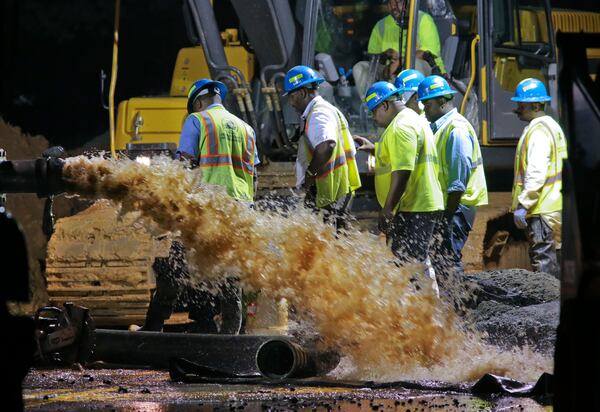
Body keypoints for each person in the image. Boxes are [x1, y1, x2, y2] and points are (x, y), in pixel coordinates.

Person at [139, 78, 258, 334]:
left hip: (206, 208)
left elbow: (184, 165)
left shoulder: (197, 120)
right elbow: (253, 174)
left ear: (199, 102)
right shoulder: (247, 128)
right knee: (231, 275)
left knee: (172, 267)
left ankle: (152, 329)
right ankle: (230, 336)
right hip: (240, 210)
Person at [354, 81, 444, 276]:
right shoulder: (411, 118)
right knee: (416, 265)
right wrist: (376, 148)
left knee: (409, 269)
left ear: (384, 105)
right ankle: (426, 302)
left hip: (413, 207)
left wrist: (387, 209)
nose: (373, 118)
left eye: (373, 111)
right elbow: (403, 155)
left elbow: (403, 171)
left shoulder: (401, 127)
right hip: (420, 204)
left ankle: (421, 305)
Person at [416, 75, 488, 278]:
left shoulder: (456, 130)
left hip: (457, 207)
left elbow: (458, 182)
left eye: (427, 104)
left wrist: (446, 217)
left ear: (441, 101)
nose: (424, 109)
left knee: (447, 259)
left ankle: (457, 306)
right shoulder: (442, 127)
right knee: (442, 259)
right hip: (451, 206)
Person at [283, 65, 361, 228]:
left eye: (291, 96)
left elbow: (327, 145)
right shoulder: (326, 110)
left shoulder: (319, 114)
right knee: (337, 243)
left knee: (333, 241)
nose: (290, 102)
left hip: (331, 190)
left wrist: (310, 174)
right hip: (337, 189)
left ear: (302, 93)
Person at [510, 78, 567, 278]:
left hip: (542, 210)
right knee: (554, 261)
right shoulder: (553, 126)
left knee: (544, 267)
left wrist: (524, 204)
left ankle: (547, 308)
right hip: (554, 207)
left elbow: (536, 172)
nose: (518, 108)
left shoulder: (538, 131)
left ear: (535, 104)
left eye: (521, 104)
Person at [353, 0, 445, 98]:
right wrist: (385, 55)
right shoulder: (381, 26)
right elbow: (373, 58)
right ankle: (371, 107)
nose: (394, 6)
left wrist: (400, 62)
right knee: (360, 68)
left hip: (426, 72)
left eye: (399, 2)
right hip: (389, 71)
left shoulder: (423, 19)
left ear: (409, 3)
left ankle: (414, 106)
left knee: (413, 66)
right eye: (390, 3)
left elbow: (427, 53)